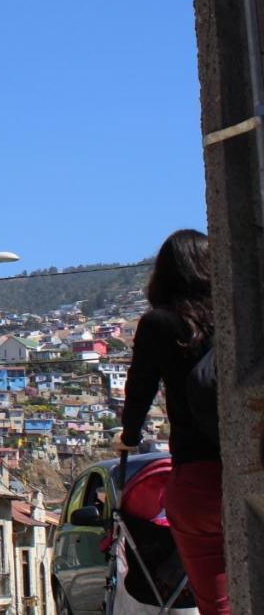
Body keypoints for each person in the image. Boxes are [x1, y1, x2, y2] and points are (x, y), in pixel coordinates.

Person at [113, 229, 227, 614]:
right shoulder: (237, 316)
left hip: (197, 477)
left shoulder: (159, 324)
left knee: (218, 602)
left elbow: (139, 392)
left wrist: (128, 435)